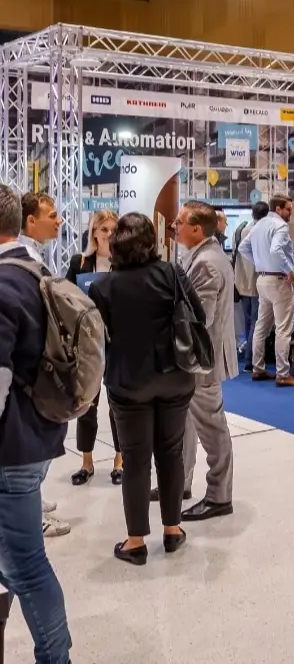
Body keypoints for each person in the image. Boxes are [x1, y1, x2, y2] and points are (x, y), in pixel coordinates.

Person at [89, 213, 195, 564]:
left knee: (135, 459)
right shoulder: (172, 273)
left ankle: (135, 542)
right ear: (152, 241)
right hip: (175, 375)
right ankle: (172, 530)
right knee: (171, 453)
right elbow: (197, 316)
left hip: (128, 380)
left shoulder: (103, 286)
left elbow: (98, 338)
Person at [0, 184, 73, 662]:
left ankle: (55, 655)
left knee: (25, 566)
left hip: (12, 446)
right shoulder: (37, 270)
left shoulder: (5, 283)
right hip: (39, 430)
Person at [173, 201, 238, 522]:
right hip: (199, 360)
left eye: (179, 222)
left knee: (212, 428)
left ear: (196, 229)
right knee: (187, 423)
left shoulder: (207, 263)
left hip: (202, 361)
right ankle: (180, 483)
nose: (174, 226)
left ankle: (219, 496)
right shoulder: (203, 256)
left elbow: (200, 318)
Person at [19, 192, 71, 538]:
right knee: (34, 441)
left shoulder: (34, 254)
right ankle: (30, 514)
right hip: (33, 365)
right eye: (52, 215)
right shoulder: (26, 259)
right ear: (30, 220)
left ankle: (33, 501)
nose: (59, 221)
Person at [65, 209, 123, 486]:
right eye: (104, 230)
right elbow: (66, 297)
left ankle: (119, 461)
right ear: (94, 233)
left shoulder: (123, 264)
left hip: (117, 343)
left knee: (117, 405)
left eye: (113, 230)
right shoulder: (80, 262)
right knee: (87, 405)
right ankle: (86, 462)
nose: (109, 235)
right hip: (87, 343)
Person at [238, 193, 294, 387]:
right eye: (288, 209)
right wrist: (288, 269)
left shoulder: (258, 225)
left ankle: (258, 369)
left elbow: (243, 247)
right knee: (283, 329)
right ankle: (283, 374)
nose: (291, 212)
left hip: (263, 279)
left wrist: (260, 263)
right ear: (278, 209)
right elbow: (276, 250)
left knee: (261, 327)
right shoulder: (280, 226)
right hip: (278, 280)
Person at [233, 201, 269, 372]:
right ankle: (251, 361)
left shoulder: (240, 229)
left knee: (249, 322)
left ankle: (249, 356)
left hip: (242, 283)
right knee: (256, 323)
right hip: (255, 283)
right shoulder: (259, 232)